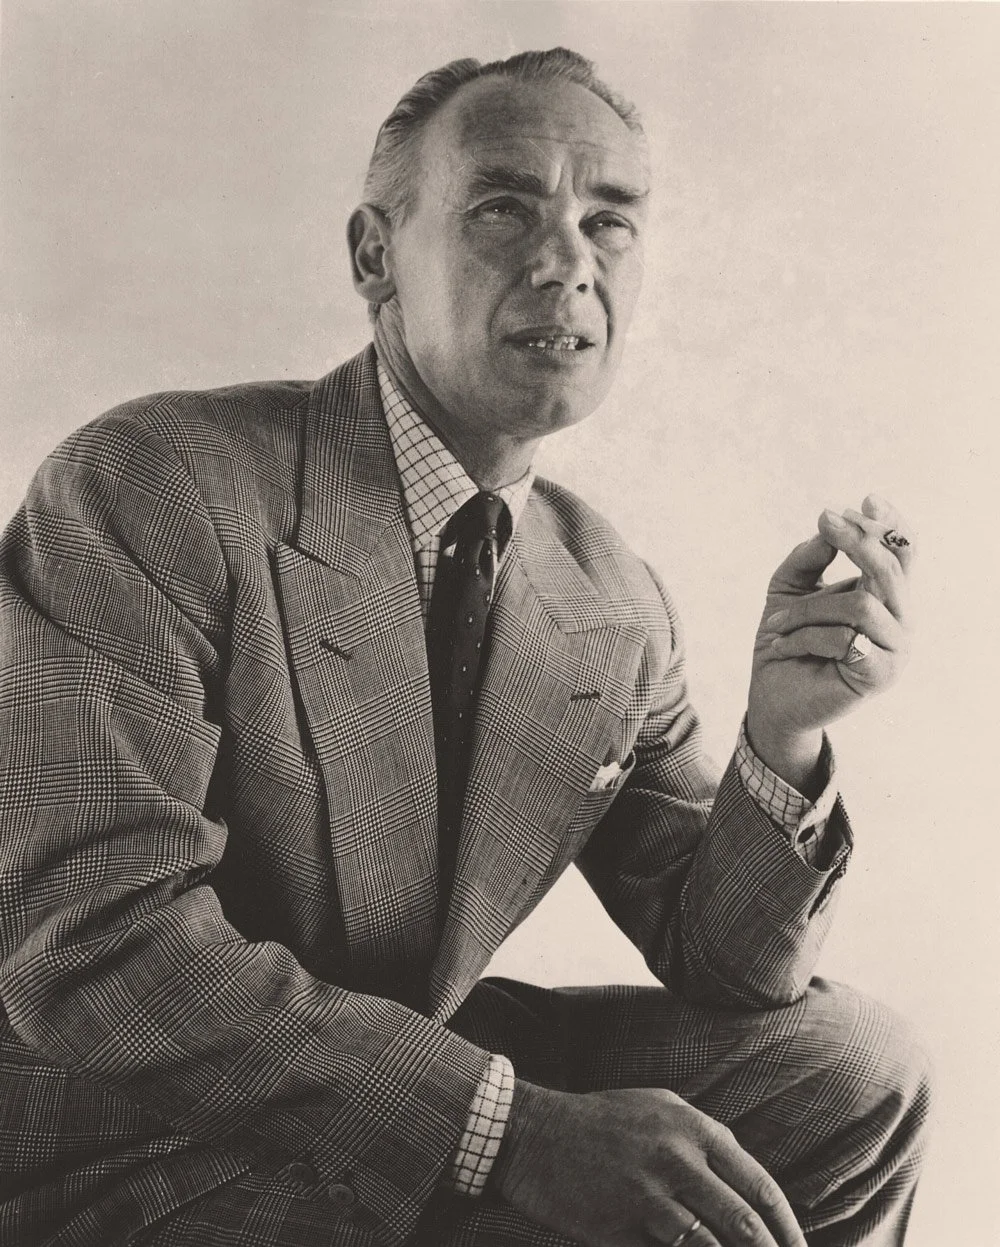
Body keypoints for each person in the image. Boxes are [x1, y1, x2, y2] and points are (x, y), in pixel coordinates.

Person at [0, 48, 930, 1247]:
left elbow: (728, 966)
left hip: (378, 1089)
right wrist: (512, 1132)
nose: (566, 263)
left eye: (610, 221)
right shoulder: (154, 483)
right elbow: (94, 942)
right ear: (373, 257)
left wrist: (783, 728)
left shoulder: (609, 593)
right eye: (504, 208)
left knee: (855, 1070)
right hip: (113, 1143)